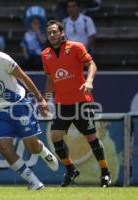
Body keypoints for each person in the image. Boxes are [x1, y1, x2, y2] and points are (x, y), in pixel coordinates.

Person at [0, 32, 59, 190]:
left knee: (32, 147)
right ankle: (35, 183)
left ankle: (43, 152)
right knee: (3, 147)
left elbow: (23, 77)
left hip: (19, 104)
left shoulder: (0, 58)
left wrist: (40, 99)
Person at [41, 20, 111, 187]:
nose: (52, 35)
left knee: (91, 137)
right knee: (55, 136)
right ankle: (71, 169)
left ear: (62, 32)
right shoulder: (45, 54)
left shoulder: (76, 47)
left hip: (81, 101)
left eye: (54, 32)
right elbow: (50, 79)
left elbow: (91, 64)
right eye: (49, 33)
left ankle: (105, 172)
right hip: (62, 104)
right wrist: (46, 99)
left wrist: (89, 81)